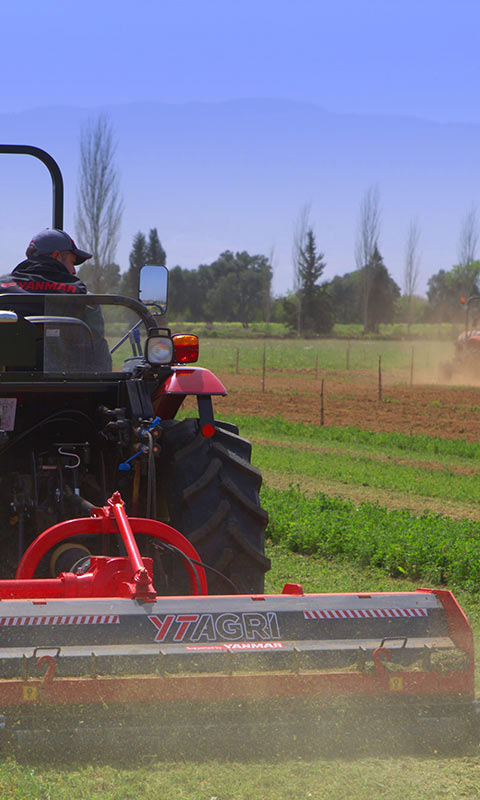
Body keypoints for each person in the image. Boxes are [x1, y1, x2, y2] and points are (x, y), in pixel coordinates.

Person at [0, 229, 111, 370]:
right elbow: (97, 355)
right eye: (72, 262)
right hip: (67, 387)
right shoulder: (84, 298)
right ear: (57, 256)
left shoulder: (3, 290)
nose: (74, 271)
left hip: (10, 387)